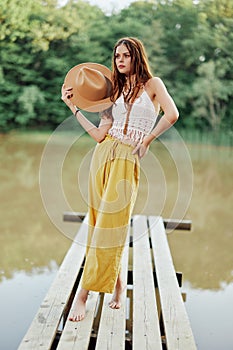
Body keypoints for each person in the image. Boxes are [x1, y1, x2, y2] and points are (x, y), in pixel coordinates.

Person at [61, 37, 179, 322]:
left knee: (112, 225)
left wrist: (148, 140)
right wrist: (73, 108)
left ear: (136, 56)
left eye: (125, 55)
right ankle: (117, 288)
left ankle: (83, 295)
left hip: (127, 158)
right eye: (116, 57)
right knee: (99, 222)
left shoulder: (153, 85)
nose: (120, 61)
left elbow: (172, 114)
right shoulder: (113, 91)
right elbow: (100, 135)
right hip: (102, 155)